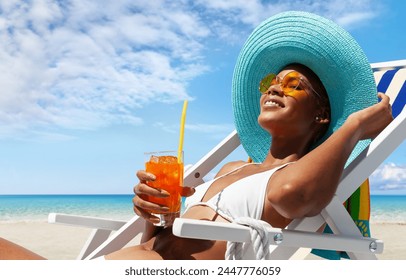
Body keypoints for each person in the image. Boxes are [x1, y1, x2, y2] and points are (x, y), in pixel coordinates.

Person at [0, 11, 393, 260]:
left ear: (321, 115)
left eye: (293, 85)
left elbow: (298, 197)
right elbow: (170, 240)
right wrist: (155, 214)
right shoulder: (235, 166)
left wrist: (354, 126)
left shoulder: (296, 179)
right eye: (271, 81)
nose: (273, 88)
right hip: (135, 260)